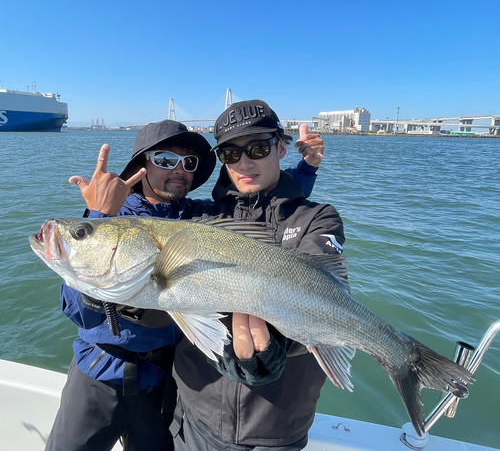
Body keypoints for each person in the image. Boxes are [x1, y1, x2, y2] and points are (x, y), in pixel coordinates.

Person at [46, 119, 324, 451]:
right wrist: (98, 213)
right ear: (142, 165)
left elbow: (261, 201)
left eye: (189, 163)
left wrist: (306, 167)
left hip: (164, 384)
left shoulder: (199, 218)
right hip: (100, 374)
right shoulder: (112, 219)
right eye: (165, 160)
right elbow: (77, 311)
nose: (179, 170)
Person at [170, 100, 345, 451]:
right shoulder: (198, 220)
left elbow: (325, 297)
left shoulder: (317, 219)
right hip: (195, 413)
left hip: (277, 428)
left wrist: (278, 347)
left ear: (281, 148)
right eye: (231, 154)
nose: (244, 162)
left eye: (257, 148)